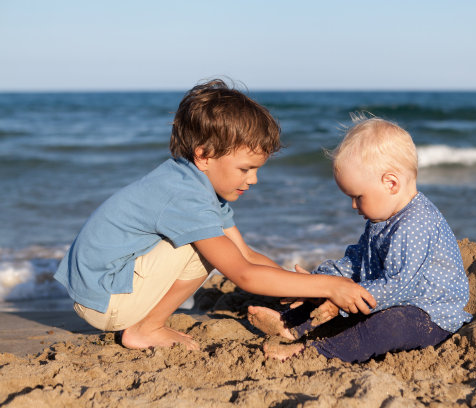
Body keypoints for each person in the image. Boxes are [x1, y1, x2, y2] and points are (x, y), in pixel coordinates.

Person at [54, 80, 376, 351]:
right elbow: (242, 273)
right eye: (245, 169)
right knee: (204, 251)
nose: (253, 180)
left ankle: (144, 322)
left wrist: (299, 288)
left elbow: (246, 254)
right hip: (105, 298)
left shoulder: (194, 183)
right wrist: (329, 286)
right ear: (205, 156)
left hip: (100, 288)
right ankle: (146, 329)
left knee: (219, 245)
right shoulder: (186, 196)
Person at [248, 117, 472, 363]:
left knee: (386, 325)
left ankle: (316, 354)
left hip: (429, 314)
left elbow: (399, 286)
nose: (353, 206)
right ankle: (288, 324)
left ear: (391, 183)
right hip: (386, 298)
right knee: (334, 288)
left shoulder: (415, 224)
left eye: (358, 196)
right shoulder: (382, 218)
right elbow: (357, 260)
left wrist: (341, 302)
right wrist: (320, 279)